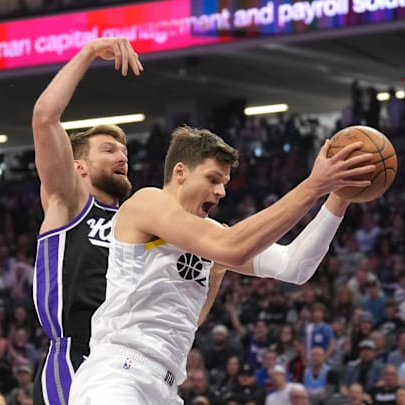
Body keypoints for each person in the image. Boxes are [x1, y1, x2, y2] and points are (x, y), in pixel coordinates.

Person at [69, 121, 376, 402]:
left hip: (165, 385)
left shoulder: (211, 236)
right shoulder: (147, 202)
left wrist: (341, 193)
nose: (221, 191)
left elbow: (295, 266)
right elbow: (233, 248)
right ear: (180, 173)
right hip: (118, 374)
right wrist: (313, 186)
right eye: (213, 179)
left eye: (225, 182)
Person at [29, 37, 141, 405]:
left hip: (127, 359)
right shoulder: (70, 200)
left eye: (124, 152)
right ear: (79, 167)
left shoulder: (137, 219)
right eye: (109, 150)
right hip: (76, 355)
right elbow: (45, 118)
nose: (122, 157)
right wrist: (90, 51)